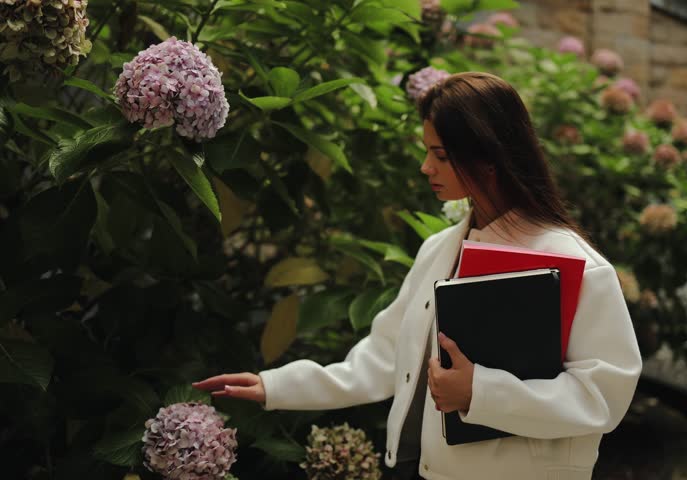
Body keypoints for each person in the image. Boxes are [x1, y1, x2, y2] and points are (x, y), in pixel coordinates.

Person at [192, 71, 643, 480]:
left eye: (440, 155)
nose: (426, 168)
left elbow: (603, 396)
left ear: (489, 157)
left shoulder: (577, 266)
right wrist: (275, 385)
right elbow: (386, 357)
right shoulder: (439, 250)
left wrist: (479, 392)